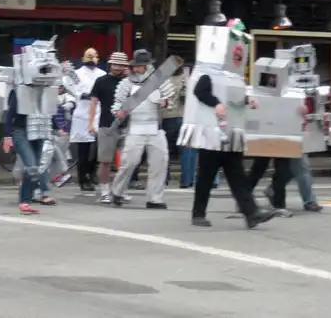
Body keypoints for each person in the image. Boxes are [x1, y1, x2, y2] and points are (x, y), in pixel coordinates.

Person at [178, 20, 275, 229]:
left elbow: (235, 96)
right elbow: (199, 92)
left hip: (230, 132)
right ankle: (199, 213)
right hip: (212, 133)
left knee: (237, 176)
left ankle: (251, 213)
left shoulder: (234, 76)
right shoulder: (208, 72)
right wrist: (216, 103)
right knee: (206, 176)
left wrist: (248, 99)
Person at [2, 37, 62, 214]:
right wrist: (7, 136)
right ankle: (24, 201)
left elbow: (47, 111)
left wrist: (56, 127)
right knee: (31, 166)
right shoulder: (20, 89)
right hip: (21, 131)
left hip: (40, 130)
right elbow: (10, 114)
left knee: (36, 169)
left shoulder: (47, 89)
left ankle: (25, 201)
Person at [110, 49, 175, 209]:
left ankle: (155, 198)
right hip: (135, 128)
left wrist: (165, 102)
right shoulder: (127, 83)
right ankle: (117, 192)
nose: (138, 68)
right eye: (136, 65)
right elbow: (118, 102)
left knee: (159, 162)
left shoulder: (160, 81)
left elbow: (170, 100)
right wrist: (118, 111)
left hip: (155, 128)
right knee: (129, 162)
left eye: (141, 65)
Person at [89, 51, 129, 204]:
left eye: (121, 65)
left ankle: (120, 190)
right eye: (115, 64)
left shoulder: (130, 82)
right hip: (107, 125)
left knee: (127, 161)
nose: (117, 67)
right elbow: (93, 103)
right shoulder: (101, 81)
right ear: (110, 64)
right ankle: (105, 192)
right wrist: (90, 123)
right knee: (105, 161)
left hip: (128, 125)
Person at [70, 48, 105, 191]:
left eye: (93, 56)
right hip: (83, 114)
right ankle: (83, 179)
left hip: (98, 113)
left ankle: (92, 173)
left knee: (97, 149)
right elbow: (71, 89)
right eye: (88, 56)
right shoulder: (76, 74)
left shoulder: (102, 74)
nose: (91, 59)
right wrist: (80, 95)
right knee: (83, 151)